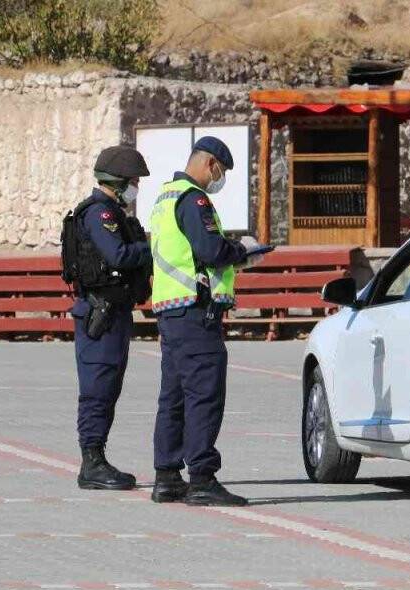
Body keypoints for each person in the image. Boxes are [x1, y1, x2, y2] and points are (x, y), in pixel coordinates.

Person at [148, 136, 267, 506]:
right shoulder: (194, 199)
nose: (220, 178)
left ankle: (167, 475)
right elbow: (210, 250)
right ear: (210, 163)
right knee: (204, 395)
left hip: (172, 311)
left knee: (174, 397)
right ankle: (202, 477)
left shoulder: (164, 197)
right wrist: (243, 252)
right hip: (197, 314)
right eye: (221, 171)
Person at [62, 145, 152, 491]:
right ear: (117, 181)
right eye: (132, 181)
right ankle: (92, 462)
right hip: (100, 313)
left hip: (113, 312)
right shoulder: (100, 213)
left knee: (108, 387)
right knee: (97, 388)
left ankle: (98, 457)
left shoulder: (112, 211)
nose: (136, 188)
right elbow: (116, 254)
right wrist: (152, 248)